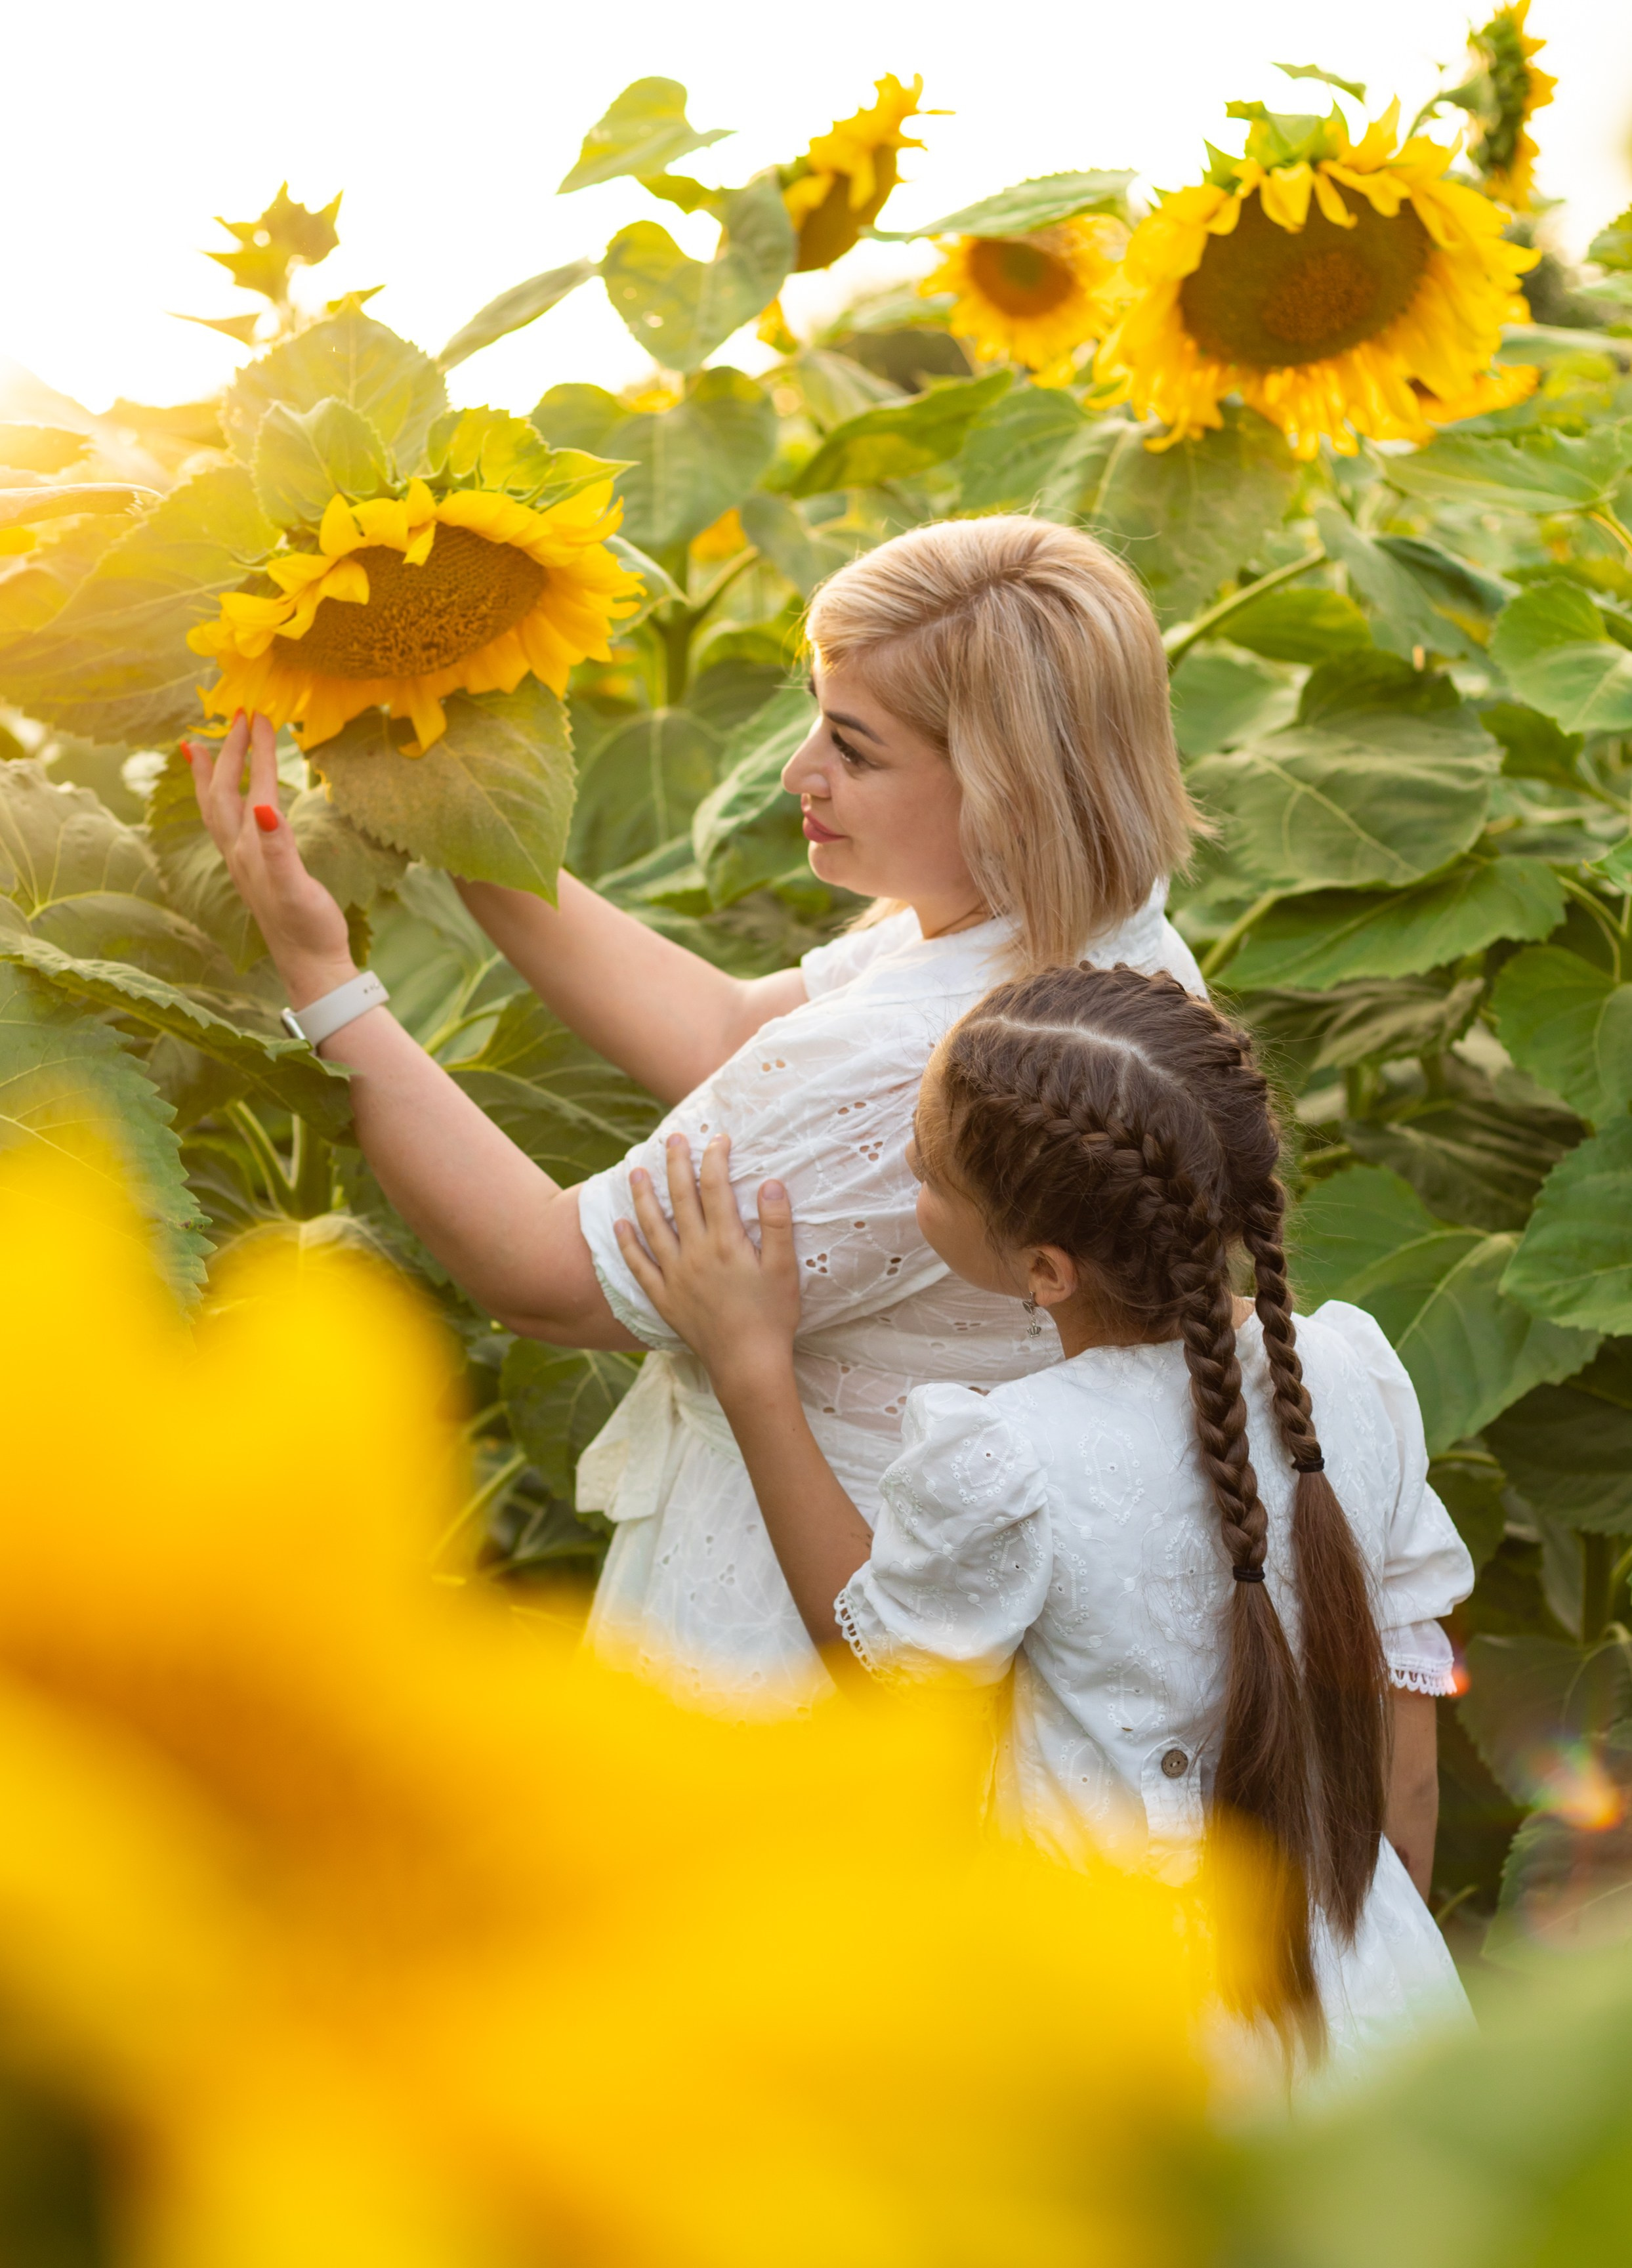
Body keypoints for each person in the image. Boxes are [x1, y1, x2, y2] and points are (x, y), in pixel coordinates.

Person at [186, 516, 1202, 1712]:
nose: (799, 771)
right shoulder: (1097, 927)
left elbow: (548, 1276)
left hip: (804, 1629)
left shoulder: (930, 1056)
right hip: (946, 1591)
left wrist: (323, 977)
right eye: (818, 718)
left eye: (855, 749)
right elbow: (729, 1030)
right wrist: (461, 821)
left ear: (1008, 790)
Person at [611, 963, 1475, 2074]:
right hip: (1366, 1974)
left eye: (928, 1172)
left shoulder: (1004, 1456)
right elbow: (1408, 1729)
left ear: (1046, 1272)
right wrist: (1388, 1967)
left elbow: (885, 1673)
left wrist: (750, 1365)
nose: (907, 1176)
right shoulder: (1352, 1371)